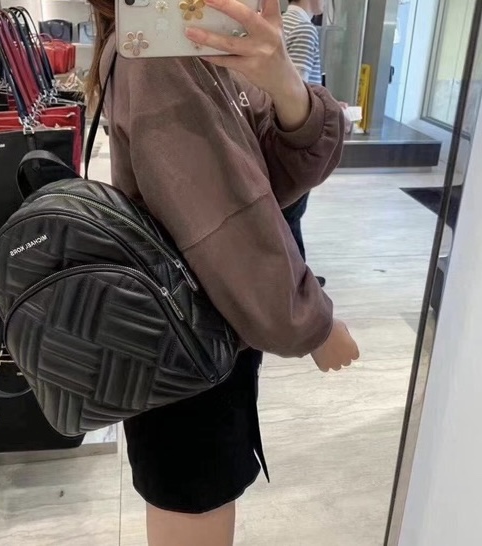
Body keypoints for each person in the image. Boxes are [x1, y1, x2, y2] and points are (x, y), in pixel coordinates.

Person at [86, 1, 360, 545]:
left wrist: (282, 80)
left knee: (196, 503)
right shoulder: (159, 52)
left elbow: (273, 177)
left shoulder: (185, 39)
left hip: (201, 331)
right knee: (195, 505)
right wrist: (313, 324)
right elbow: (225, 221)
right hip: (187, 345)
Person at [281, 0, 327, 285]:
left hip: (276, 133)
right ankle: (299, 287)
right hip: (296, 135)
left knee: (286, 214)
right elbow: (294, 92)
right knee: (292, 213)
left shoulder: (283, 22)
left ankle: (296, 282)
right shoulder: (303, 28)